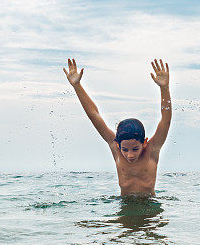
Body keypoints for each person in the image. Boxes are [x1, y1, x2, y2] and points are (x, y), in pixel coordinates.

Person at [64, 58, 172, 196]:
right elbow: (94, 115)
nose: (130, 155)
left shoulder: (152, 150)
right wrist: (77, 86)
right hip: (124, 205)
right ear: (117, 145)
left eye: (135, 149)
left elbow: (166, 121)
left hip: (149, 206)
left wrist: (164, 88)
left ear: (144, 143)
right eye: (125, 149)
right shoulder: (115, 148)